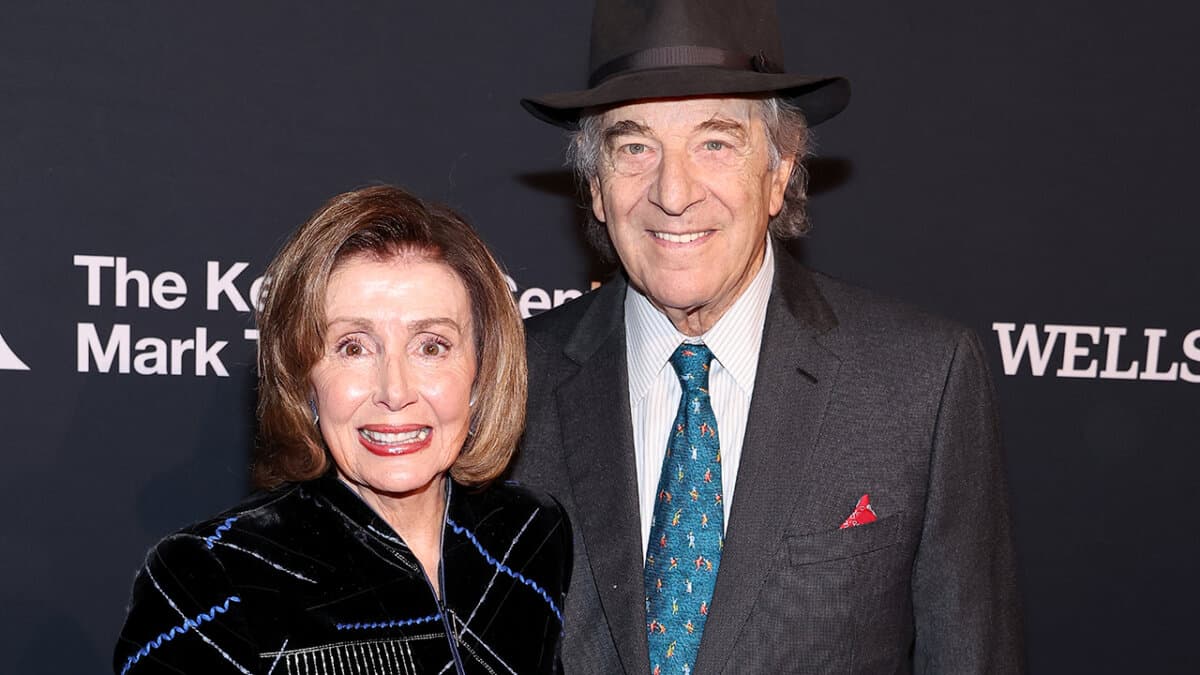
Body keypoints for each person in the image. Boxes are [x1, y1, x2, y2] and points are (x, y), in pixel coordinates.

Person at [511, 1, 1023, 673]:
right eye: (634, 146)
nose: (673, 192)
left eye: (715, 143)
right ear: (597, 187)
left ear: (779, 172)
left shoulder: (921, 382)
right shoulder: (512, 379)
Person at [113, 186, 571, 675]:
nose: (394, 391)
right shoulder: (210, 578)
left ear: (482, 371)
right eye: (353, 347)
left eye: (432, 346)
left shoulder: (530, 533)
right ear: (301, 374)